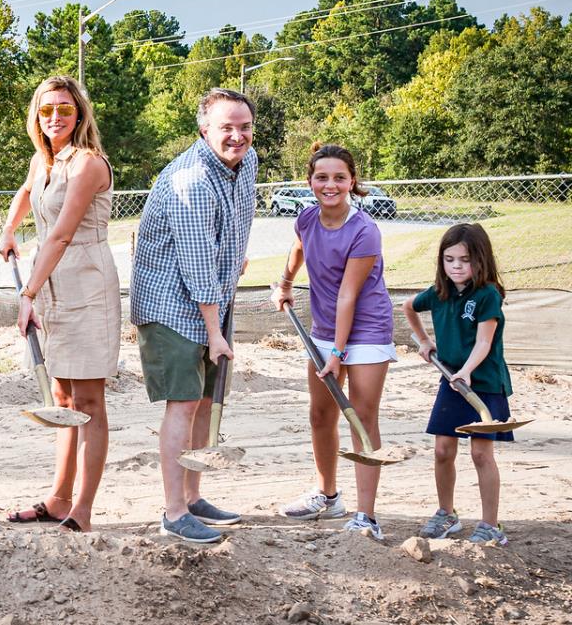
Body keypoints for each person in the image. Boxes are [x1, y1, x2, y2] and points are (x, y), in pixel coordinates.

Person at [130, 87, 259, 547]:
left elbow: (240, 223)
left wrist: (231, 285)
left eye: (244, 127)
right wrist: (214, 331)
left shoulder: (247, 163)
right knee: (183, 402)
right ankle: (174, 512)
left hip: (214, 298)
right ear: (204, 129)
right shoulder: (191, 180)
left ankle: (194, 493)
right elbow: (196, 262)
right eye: (227, 127)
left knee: (206, 400)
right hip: (171, 303)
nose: (238, 136)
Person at [0, 75, 121, 532]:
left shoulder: (87, 164)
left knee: (88, 400)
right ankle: (58, 497)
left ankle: (83, 510)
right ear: (36, 116)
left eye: (65, 110)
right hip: (53, 283)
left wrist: (26, 294)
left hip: (85, 284)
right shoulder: (43, 160)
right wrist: (9, 228)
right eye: (46, 110)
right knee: (64, 396)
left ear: (80, 114)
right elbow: (28, 191)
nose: (55, 118)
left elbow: (62, 234)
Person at [274, 144, 398, 540]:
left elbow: (348, 294)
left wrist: (339, 353)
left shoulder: (364, 230)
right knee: (320, 415)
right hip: (325, 331)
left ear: (352, 182)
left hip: (366, 332)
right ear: (310, 181)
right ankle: (328, 496)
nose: (330, 185)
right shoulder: (307, 218)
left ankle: (366, 516)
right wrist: (286, 283)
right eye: (322, 177)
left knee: (360, 418)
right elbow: (298, 251)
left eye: (339, 177)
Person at [404, 222, 514, 547]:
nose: (455, 266)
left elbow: (484, 342)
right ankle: (446, 514)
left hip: (484, 383)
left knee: (481, 454)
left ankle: (491, 524)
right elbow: (408, 306)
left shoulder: (488, 294)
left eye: (464, 260)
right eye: (449, 259)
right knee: (442, 450)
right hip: (452, 381)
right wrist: (424, 341)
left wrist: (465, 371)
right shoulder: (440, 292)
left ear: (480, 260)